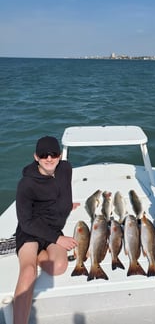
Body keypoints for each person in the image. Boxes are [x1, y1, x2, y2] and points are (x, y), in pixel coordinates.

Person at [13, 136, 78, 324]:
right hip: (31, 231)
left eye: (53, 154)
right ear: (36, 157)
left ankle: (37, 255)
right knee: (28, 271)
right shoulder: (26, 184)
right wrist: (58, 239)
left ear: (59, 156)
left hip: (53, 228)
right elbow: (25, 222)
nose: (49, 158)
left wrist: (65, 205)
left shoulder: (66, 168)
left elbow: (62, 189)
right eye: (43, 155)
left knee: (59, 266)